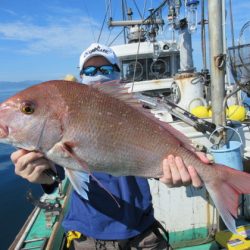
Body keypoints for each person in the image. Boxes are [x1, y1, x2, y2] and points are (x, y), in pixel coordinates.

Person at [11, 43, 207, 250]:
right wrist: (43, 175)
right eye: (89, 70)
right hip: (88, 236)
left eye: (105, 70)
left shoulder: (138, 114)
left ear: (117, 74)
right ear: (81, 76)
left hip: (143, 233)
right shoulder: (63, 120)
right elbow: (56, 171)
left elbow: (160, 163)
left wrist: (178, 174)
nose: (97, 75)